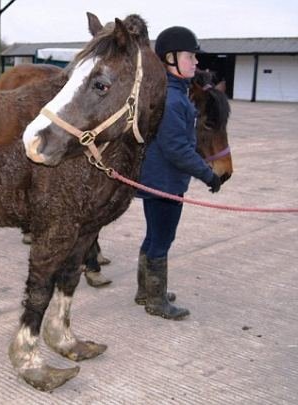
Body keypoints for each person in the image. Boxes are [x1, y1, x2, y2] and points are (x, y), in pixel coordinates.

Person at [134, 26, 222, 320]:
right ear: (169, 59)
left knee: (154, 235)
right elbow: (177, 149)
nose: (196, 62)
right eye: (190, 56)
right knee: (162, 239)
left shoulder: (174, 93)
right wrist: (208, 174)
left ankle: (146, 291)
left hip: (157, 179)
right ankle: (156, 302)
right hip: (165, 183)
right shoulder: (173, 99)